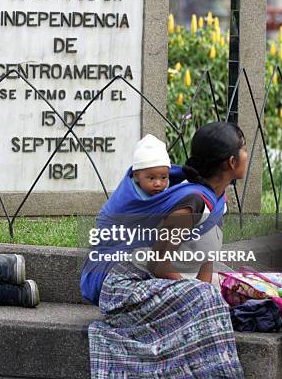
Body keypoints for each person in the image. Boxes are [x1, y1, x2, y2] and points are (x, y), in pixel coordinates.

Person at [82, 122, 247, 377]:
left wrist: (198, 288)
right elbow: (158, 264)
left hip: (155, 285)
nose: (248, 155)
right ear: (232, 162)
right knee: (207, 297)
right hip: (125, 288)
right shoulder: (191, 203)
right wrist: (193, 290)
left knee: (217, 290)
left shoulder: (217, 199)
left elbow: (206, 258)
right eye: (243, 149)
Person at [130, 134, 171, 198]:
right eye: (151, 178)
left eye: (163, 178)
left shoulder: (172, 191)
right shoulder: (128, 197)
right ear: (136, 176)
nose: (158, 184)